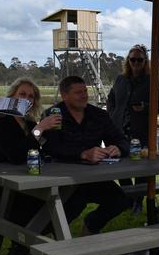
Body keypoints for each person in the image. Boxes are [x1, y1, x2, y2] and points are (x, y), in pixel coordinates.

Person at [0, 77, 60, 255]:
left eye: (31, 96)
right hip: (4, 189)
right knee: (45, 205)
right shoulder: (0, 125)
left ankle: (28, 246)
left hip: (29, 184)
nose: (27, 99)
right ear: (11, 96)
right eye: (22, 94)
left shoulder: (29, 124)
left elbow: (40, 152)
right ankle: (21, 248)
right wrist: (39, 129)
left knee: (65, 200)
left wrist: (47, 132)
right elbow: (15, 156)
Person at [38, 76, 131, 235]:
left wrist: (118, 148)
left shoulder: (99, 115)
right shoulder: (53, 115)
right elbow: (52, 148)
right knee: (68, 209)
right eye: (78, 92)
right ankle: (37, 239)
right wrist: (83, 154)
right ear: (64, 95)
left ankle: (91, 224)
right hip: (64, 179)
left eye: (85, 91)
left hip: (93, 177)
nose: (84, 95)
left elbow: (120, 139)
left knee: (121, 200)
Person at [107, 44, 159, 214]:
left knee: (141, 169)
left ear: (145, 62)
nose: (136, 63)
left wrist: (145, 107)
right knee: (121, 167)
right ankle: (128, 199)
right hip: (119, 130)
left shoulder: (151, 80)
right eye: (132, 59)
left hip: (140, 130)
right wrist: (113, 114)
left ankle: (138, 201)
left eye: (140, 60)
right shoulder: (120, 79)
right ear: (128, 61)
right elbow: (111, 99)